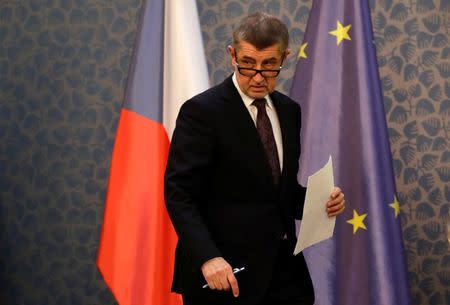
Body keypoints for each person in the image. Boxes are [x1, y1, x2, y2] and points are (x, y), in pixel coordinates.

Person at [164, 12, 345, 305]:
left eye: (269, 65)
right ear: (232, 54)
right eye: (247, 64)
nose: (258, 77)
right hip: (223, 276)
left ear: (284, 57)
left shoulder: (289, 111)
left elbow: (277, 194)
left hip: (283, 273)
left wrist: (319, 200)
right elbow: (179, 194)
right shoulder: (202, 112)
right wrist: (208, 258)